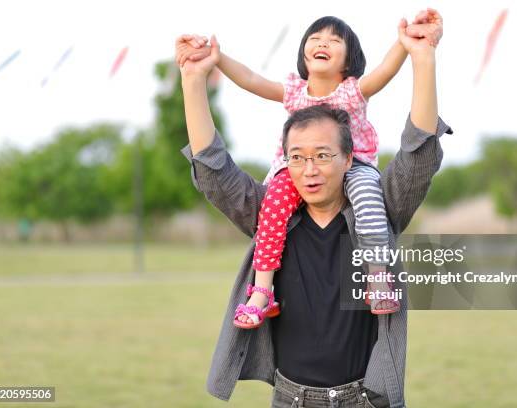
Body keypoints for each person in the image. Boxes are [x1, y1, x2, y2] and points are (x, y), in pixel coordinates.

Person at [178, 9, 451, 408]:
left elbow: (417, 155)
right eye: (297, 157)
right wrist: (193, 79)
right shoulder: (270, 215)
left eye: (323, 155)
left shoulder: (377, 207)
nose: (309, 170)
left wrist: (423, 57)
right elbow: (213, 168)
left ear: (348, 156)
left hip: (366, 399)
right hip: (289, 399)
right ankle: (261, 293)